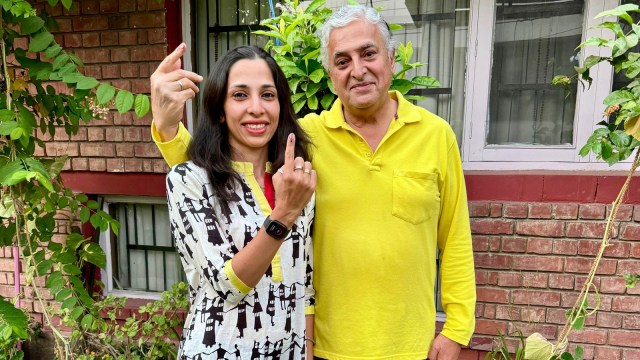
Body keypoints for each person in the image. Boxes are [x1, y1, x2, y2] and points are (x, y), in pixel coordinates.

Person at [152, 5, 476, 360]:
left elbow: (455, 236)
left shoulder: (436, 136)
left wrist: (457, 329)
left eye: (368, 53)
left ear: (392, 58)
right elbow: (224, 168)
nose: (358, 70)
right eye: (342, 61)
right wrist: (168, 127)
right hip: (328, 348)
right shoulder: (306, 140)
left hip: (411, 347)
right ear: (330, 74)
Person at [162, 45, 316, 359]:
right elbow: (227, 286)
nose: (257, 108)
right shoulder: (188, 180)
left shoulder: (296, 181)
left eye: (268, 95)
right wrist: (284, 214)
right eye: (240, 95)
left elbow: (306, 285)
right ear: (220, 109)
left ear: (281, 105)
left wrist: (307, 352)